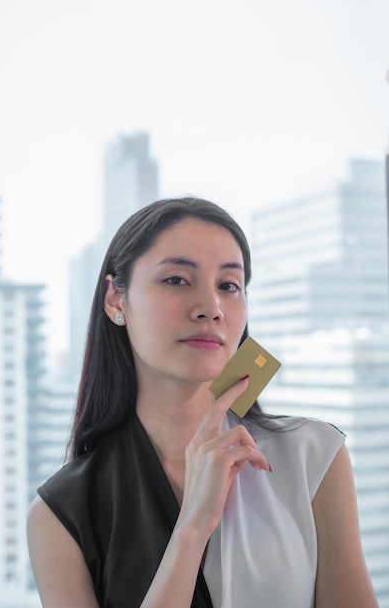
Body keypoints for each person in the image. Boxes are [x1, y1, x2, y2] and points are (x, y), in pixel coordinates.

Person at [27, 196, 378, 608]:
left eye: (229, 286)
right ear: (115, 300)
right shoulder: (59, 515)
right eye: (176, 279)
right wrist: (193, 525)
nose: (211, 308)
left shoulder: (313, 457)